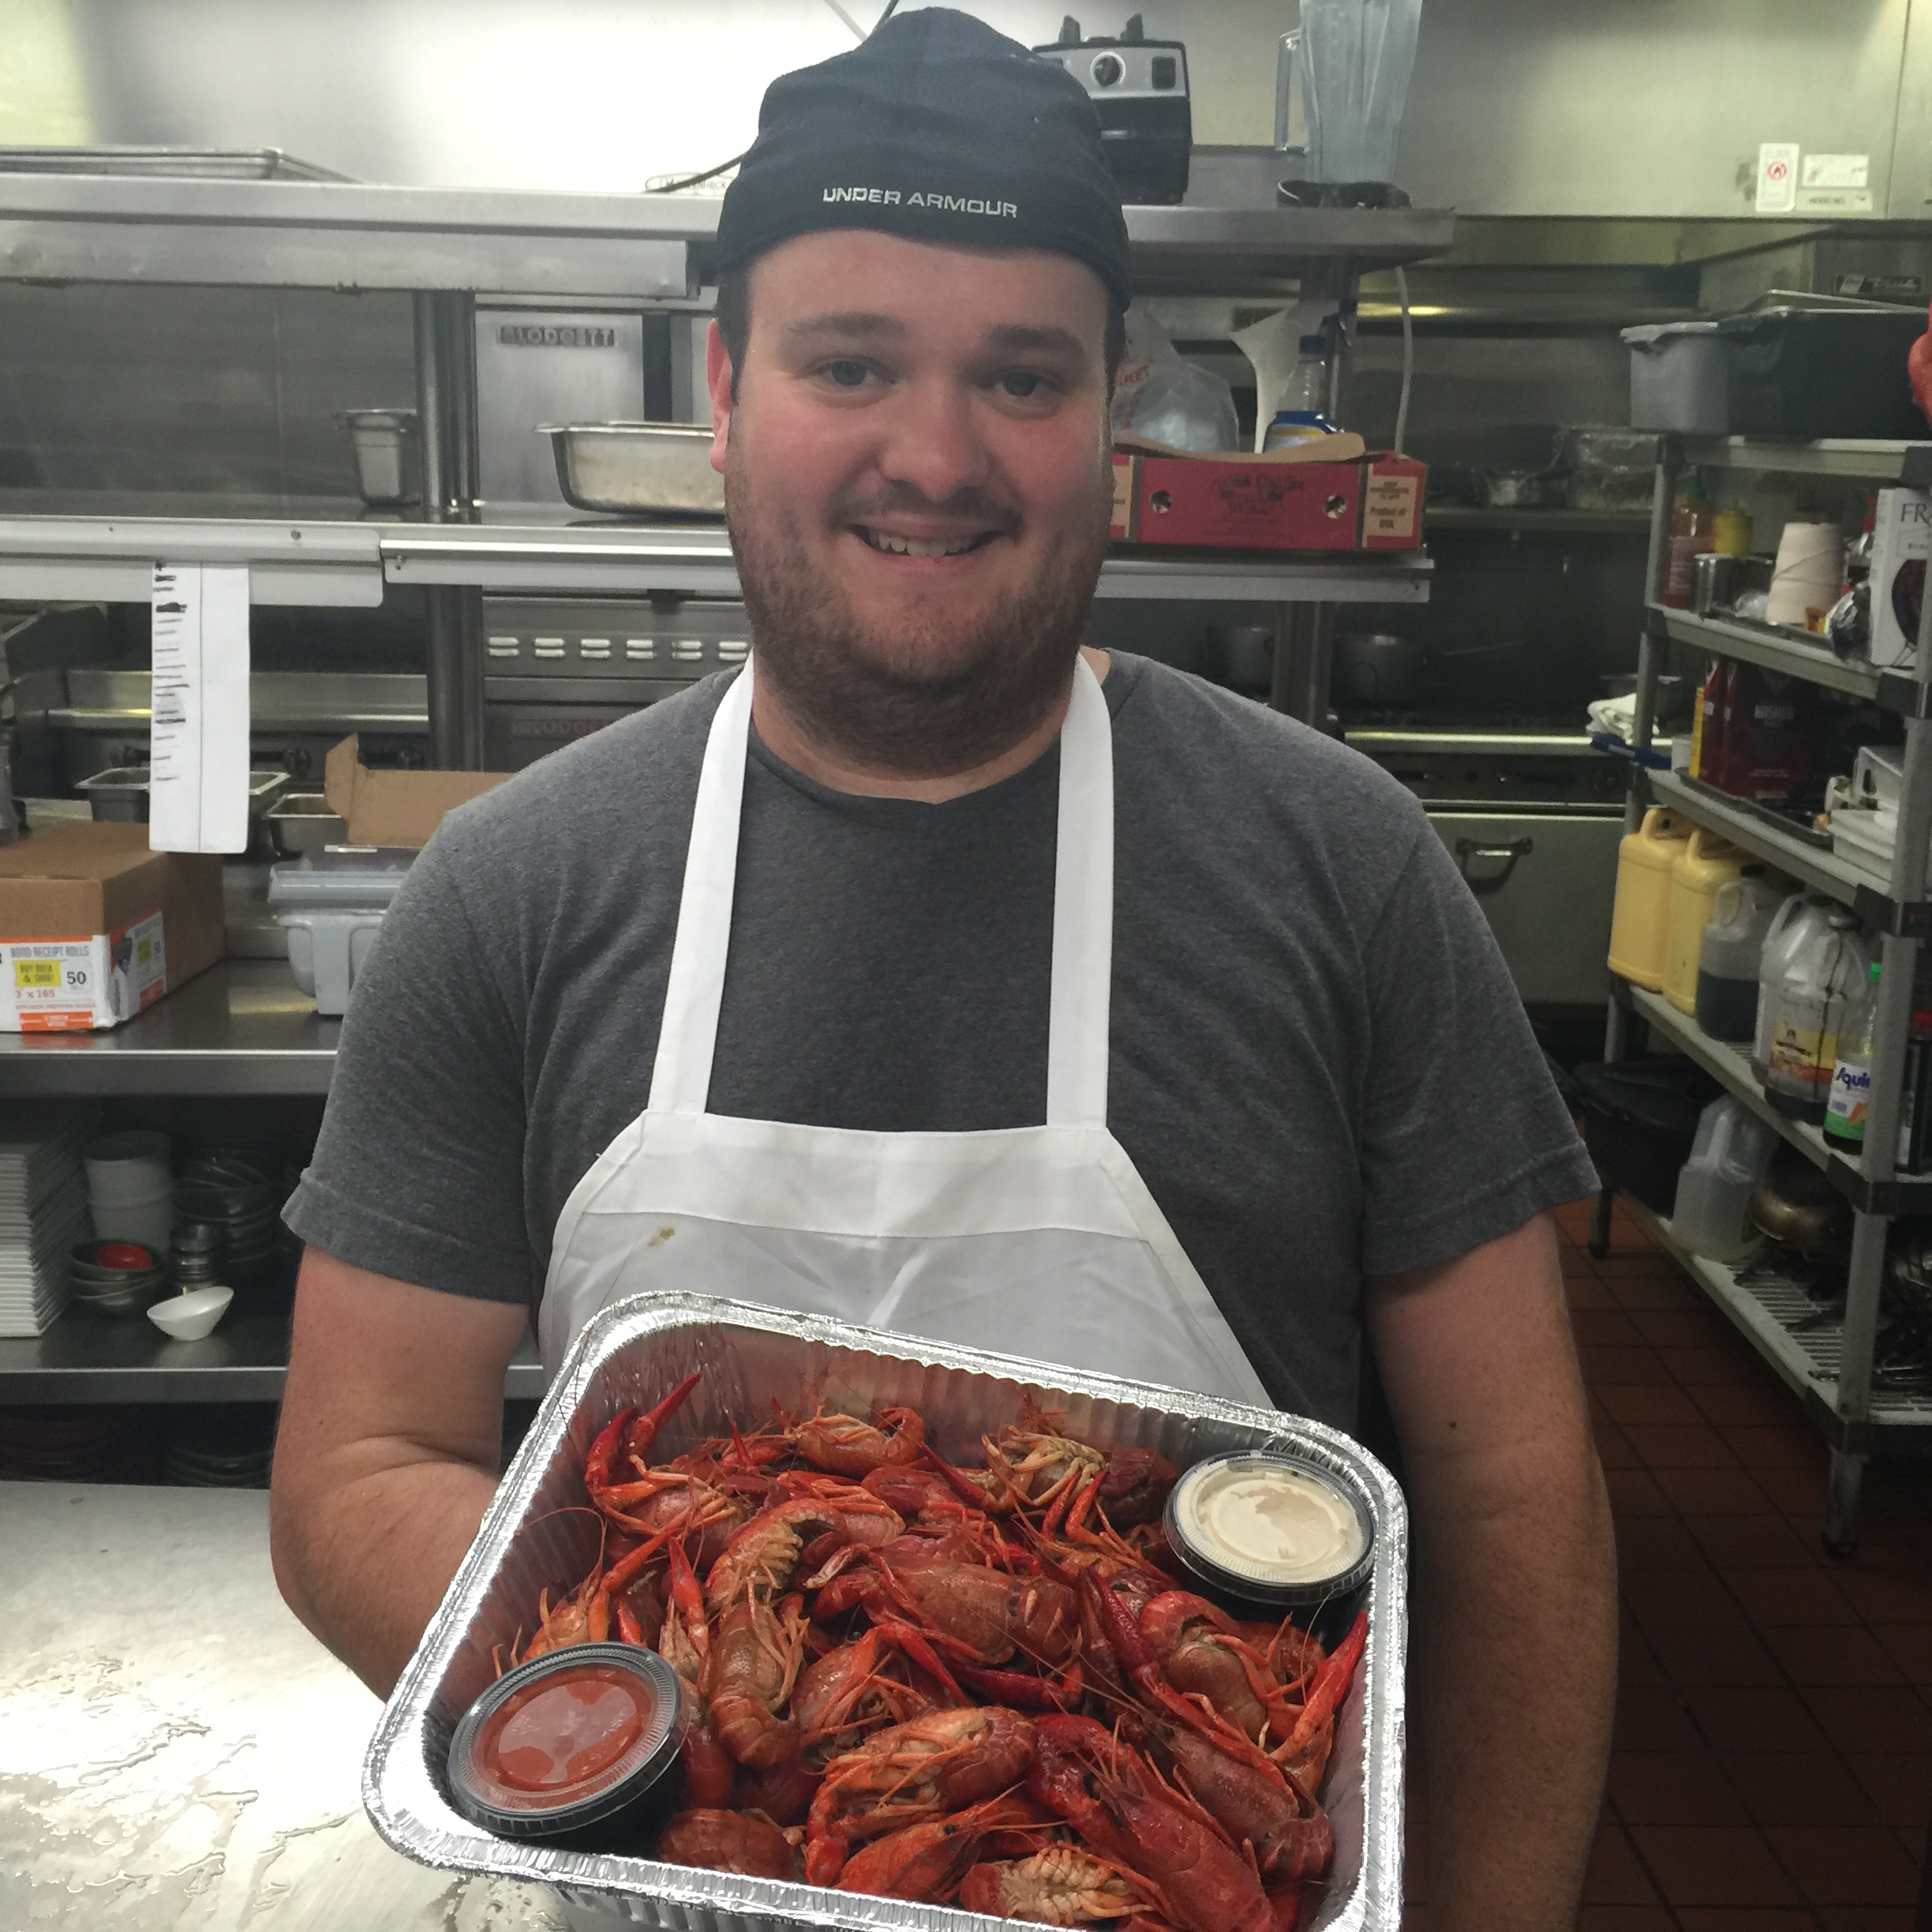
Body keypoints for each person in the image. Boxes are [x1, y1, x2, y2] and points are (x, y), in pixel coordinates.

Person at [270, 13, 1615, 1928]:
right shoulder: (512, 889)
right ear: (726, 388)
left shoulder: (1344, 866)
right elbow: (357, 1467)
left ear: (1110, 411)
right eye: (851, 363)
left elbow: (1510, 1506)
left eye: (1020, 376)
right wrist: (742, 1683)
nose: (936, 453)